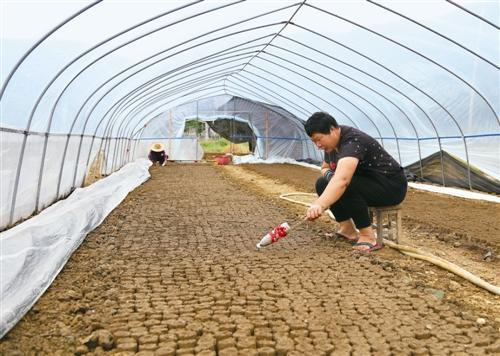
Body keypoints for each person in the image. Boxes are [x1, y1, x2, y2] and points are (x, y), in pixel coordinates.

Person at [304, 112, 407, 252]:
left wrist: (320, 204)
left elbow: (343, 180)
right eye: (314, 141)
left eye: (319, 139)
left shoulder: (353, 142)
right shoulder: (332, 145)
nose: (318, 145)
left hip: (390, 186)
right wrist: (331, 178)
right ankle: (348, 230)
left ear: (332, 129)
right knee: (322, 183)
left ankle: (367, 236)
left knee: (346, 185)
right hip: (368, 183)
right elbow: (325, 168)